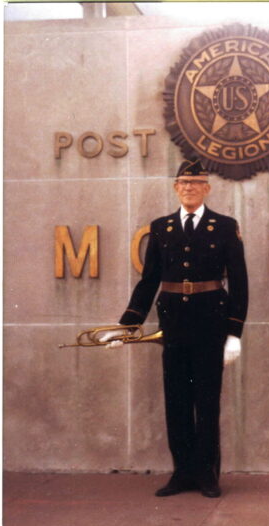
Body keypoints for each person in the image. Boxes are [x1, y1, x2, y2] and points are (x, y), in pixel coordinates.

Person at [102, 159, 248, 498]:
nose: (189, 188)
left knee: (207, 402)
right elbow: (149, 280)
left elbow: (239, 283)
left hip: (211, 323)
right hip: (174, 326)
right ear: (175, 187)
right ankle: (182, 473)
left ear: (207, 188)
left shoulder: (224, 226)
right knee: (177, 401)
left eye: (196, 183)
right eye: (183, 183)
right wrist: (127, 327)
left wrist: (234, 334)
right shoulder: (162, 227)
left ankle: (208, 475)